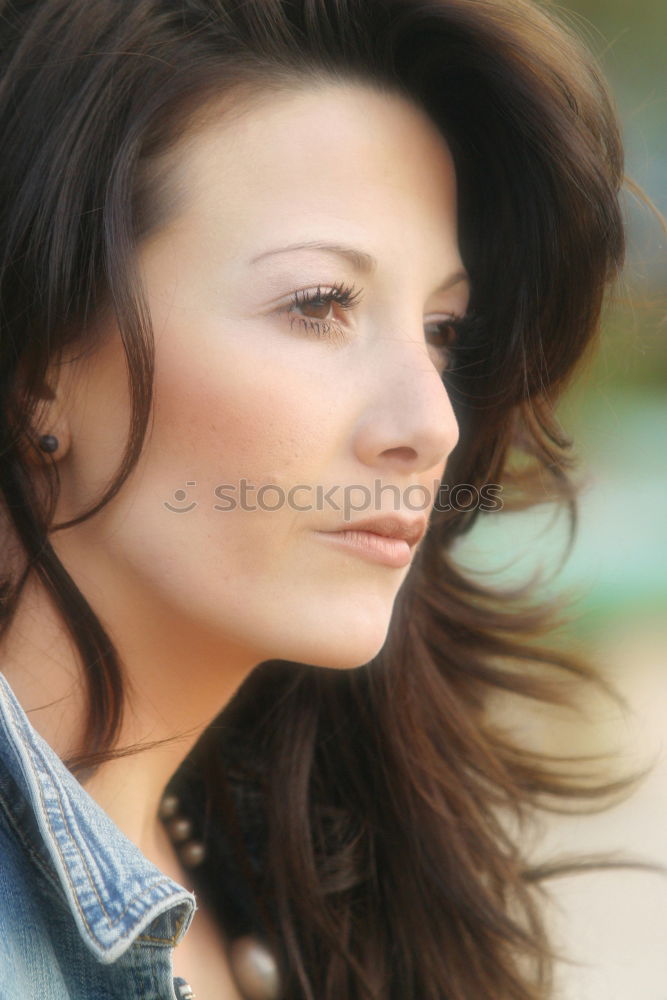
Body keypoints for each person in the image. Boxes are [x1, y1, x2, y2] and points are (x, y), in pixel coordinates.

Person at [0, 1, 663, 997]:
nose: (430, 421)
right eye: (319, 304)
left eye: (441, 331)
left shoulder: (294, 864)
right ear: (42, 363)